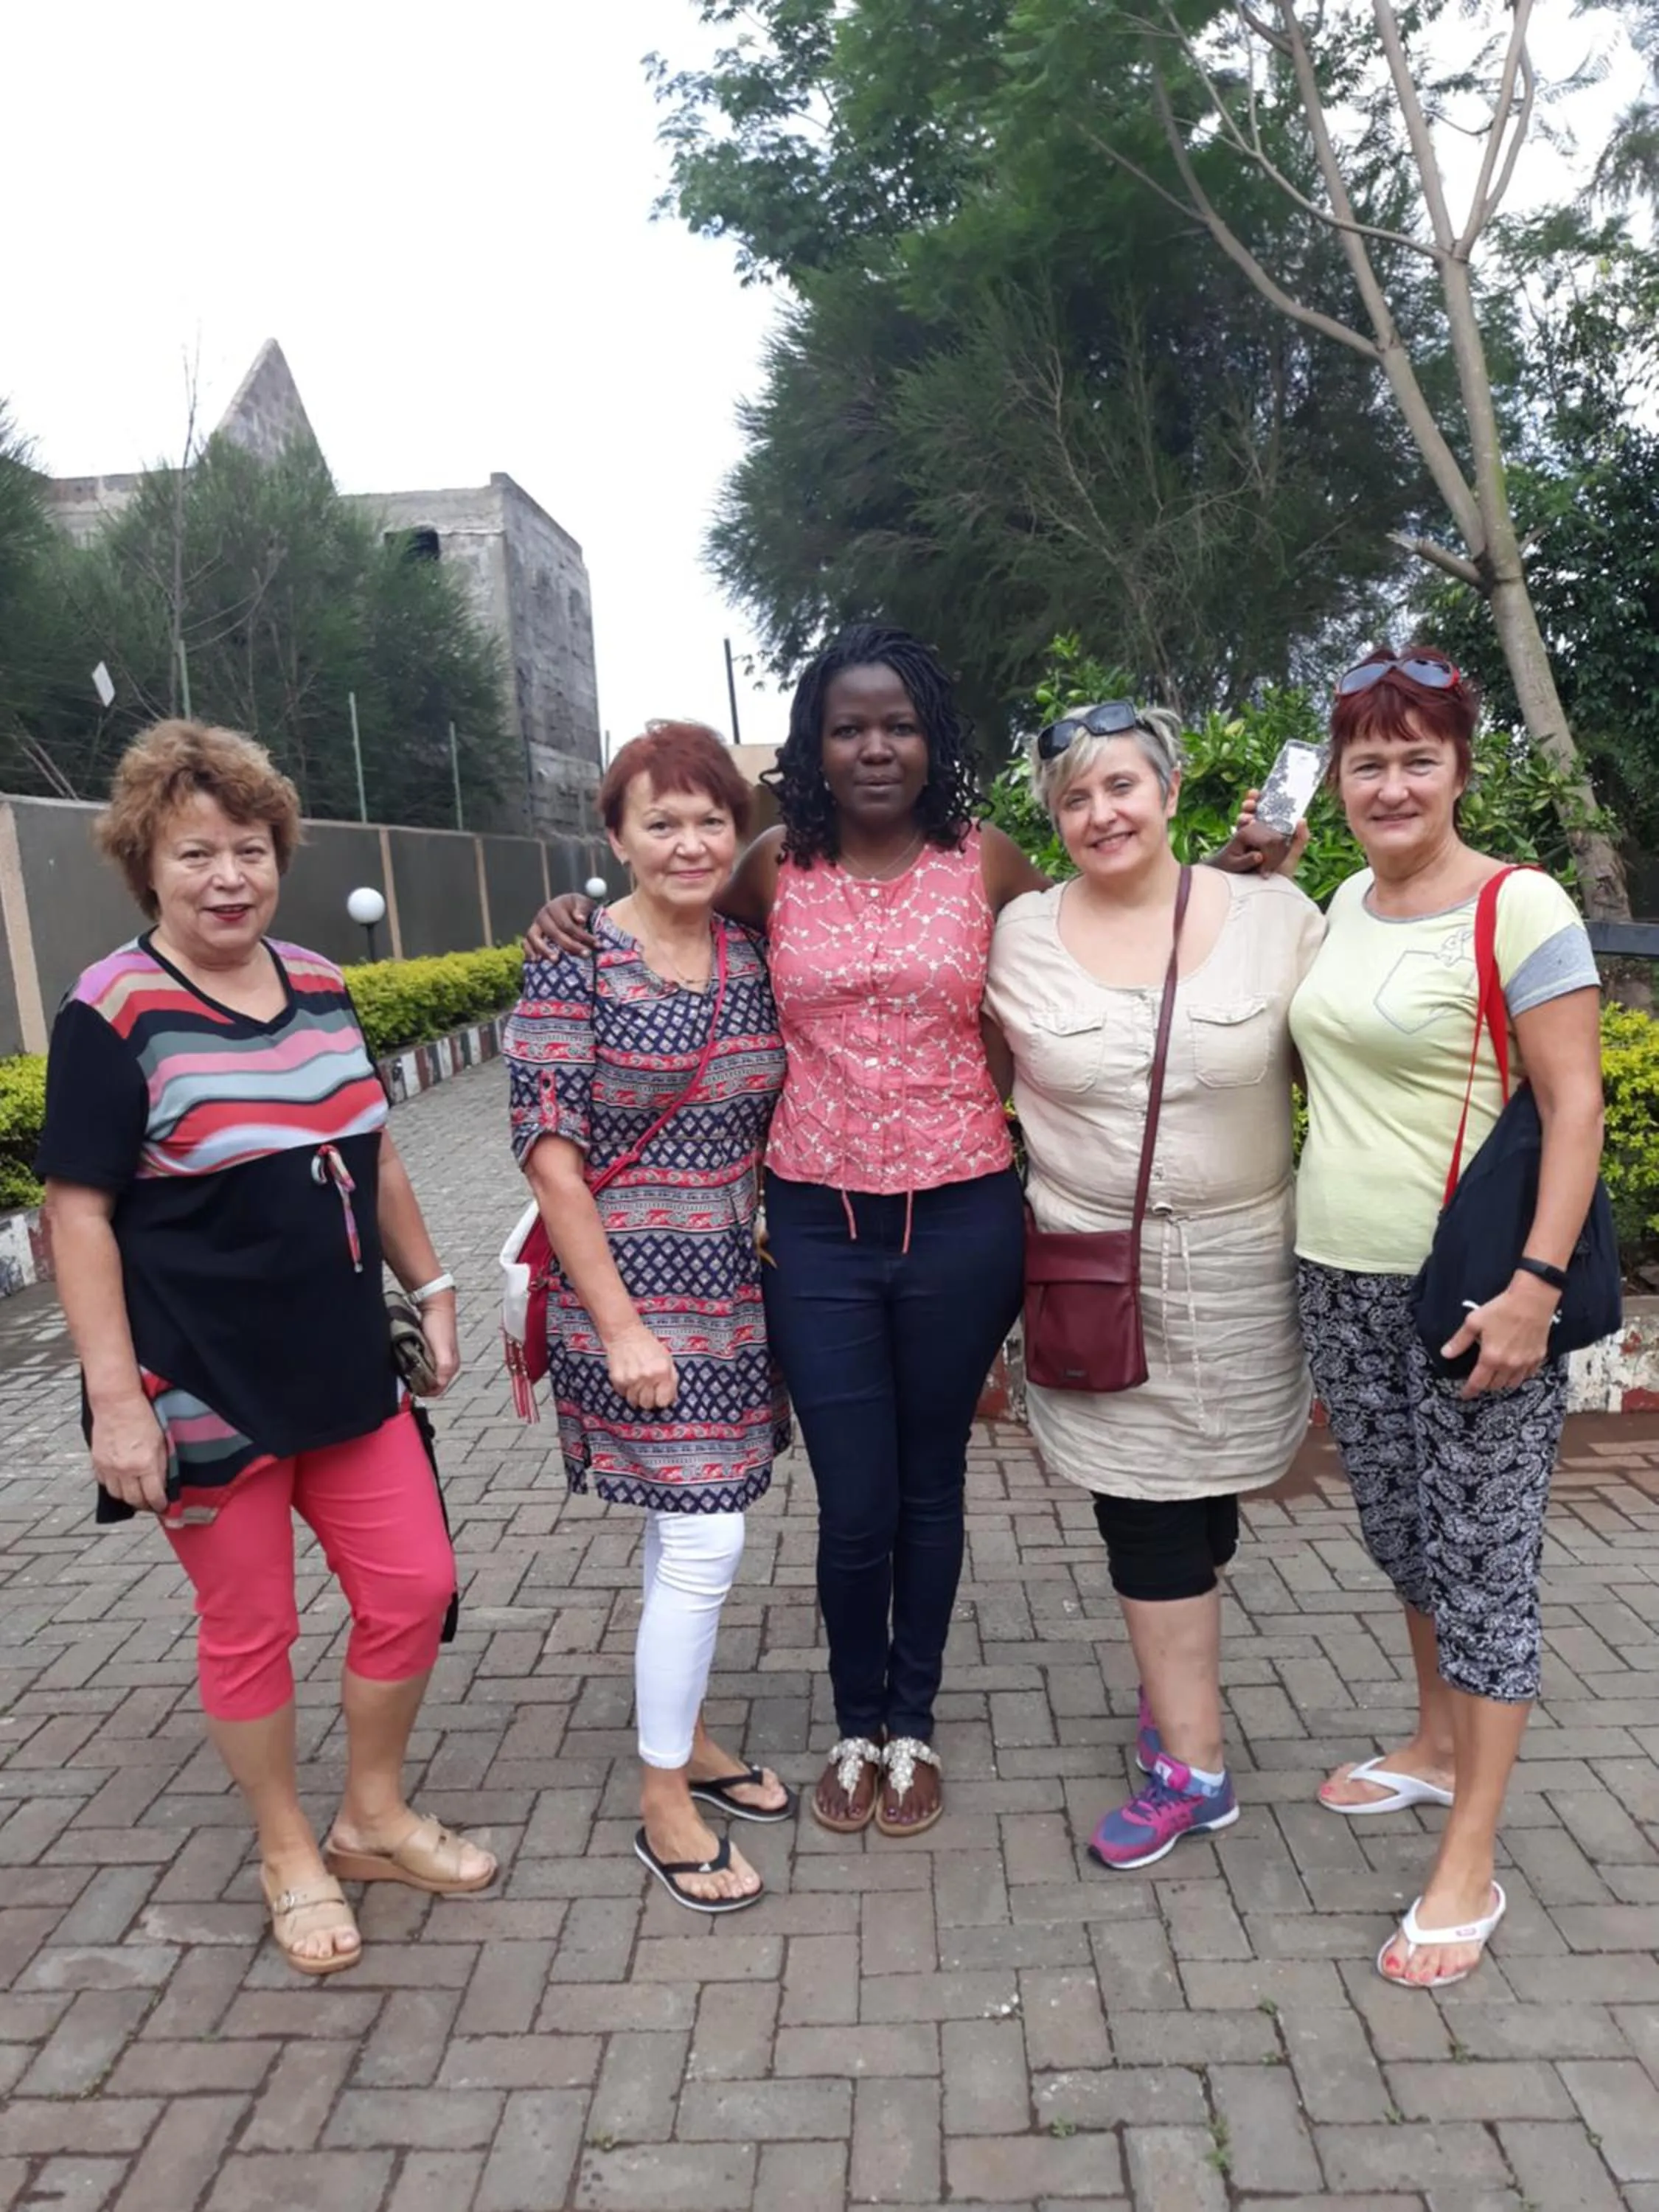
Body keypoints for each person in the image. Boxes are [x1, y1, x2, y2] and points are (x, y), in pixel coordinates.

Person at [532, 627, 1047, 1836]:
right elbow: (668, 918)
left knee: (932, 1485)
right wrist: (570, 913)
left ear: (933, 740)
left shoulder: (988, 862)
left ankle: (909, 1726)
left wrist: (1241, 870)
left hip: (964, 1216)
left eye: (899, 725)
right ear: (814, 745)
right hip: (815, 1227)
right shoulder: (774, 866)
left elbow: (1084, 954)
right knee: (854, 1496)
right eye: (849, 727)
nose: (875, 748)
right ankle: (852, 1717)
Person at [39, 720, 492, 1981]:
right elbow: (76, 1212)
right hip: (200, 1383)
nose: (227, 875)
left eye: (248, 847)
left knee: (410, 1588)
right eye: (195, 853)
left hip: (347, 1365)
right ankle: (288, 1845)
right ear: (147, 865)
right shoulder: (113, 1009)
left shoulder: (324, 984)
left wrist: (436, 1284)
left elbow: (377, 1150)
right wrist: (115, 1401)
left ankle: (374, 1815)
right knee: (253, 1629)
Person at [1289, 646, 1605, 1989]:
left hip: (1470, 1292)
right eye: (1368, 760)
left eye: (1419, 757)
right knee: (1401, 1534)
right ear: (1341, 782)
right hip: (1335, 1276)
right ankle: (1429, 1748)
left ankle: (1468, 1859)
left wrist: (1532, 1290)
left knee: (1480, 1563)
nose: (1393, 783)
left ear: (1460, 769)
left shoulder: (1521, 905)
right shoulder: (1341, 903)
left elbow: (1575, 1105)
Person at [984, 703, 1324, 1868]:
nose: (1100, 813)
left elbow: (1368, 1048)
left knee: (1211, 1501)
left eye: (1121, 785)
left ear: (1170, 792)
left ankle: (1174, 1687)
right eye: (1074, 798)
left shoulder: (1276, 916)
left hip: (1243, 1265)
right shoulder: (1017, 932)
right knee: (1147, 1514)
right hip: (1093, 1266)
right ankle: (1193, 1767)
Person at [507, 722, 794, 1913]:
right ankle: (663, 1796)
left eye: (708, 820)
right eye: (659, 822)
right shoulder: (574, 962)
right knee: (707, 1536)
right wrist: (621, 1326)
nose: (688, 843)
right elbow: (550, 1159)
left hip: (733, 1284)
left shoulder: (751, 947)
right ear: (615, 837)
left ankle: (692, 1734)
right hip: (621, 1288)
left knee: (692, 1524)